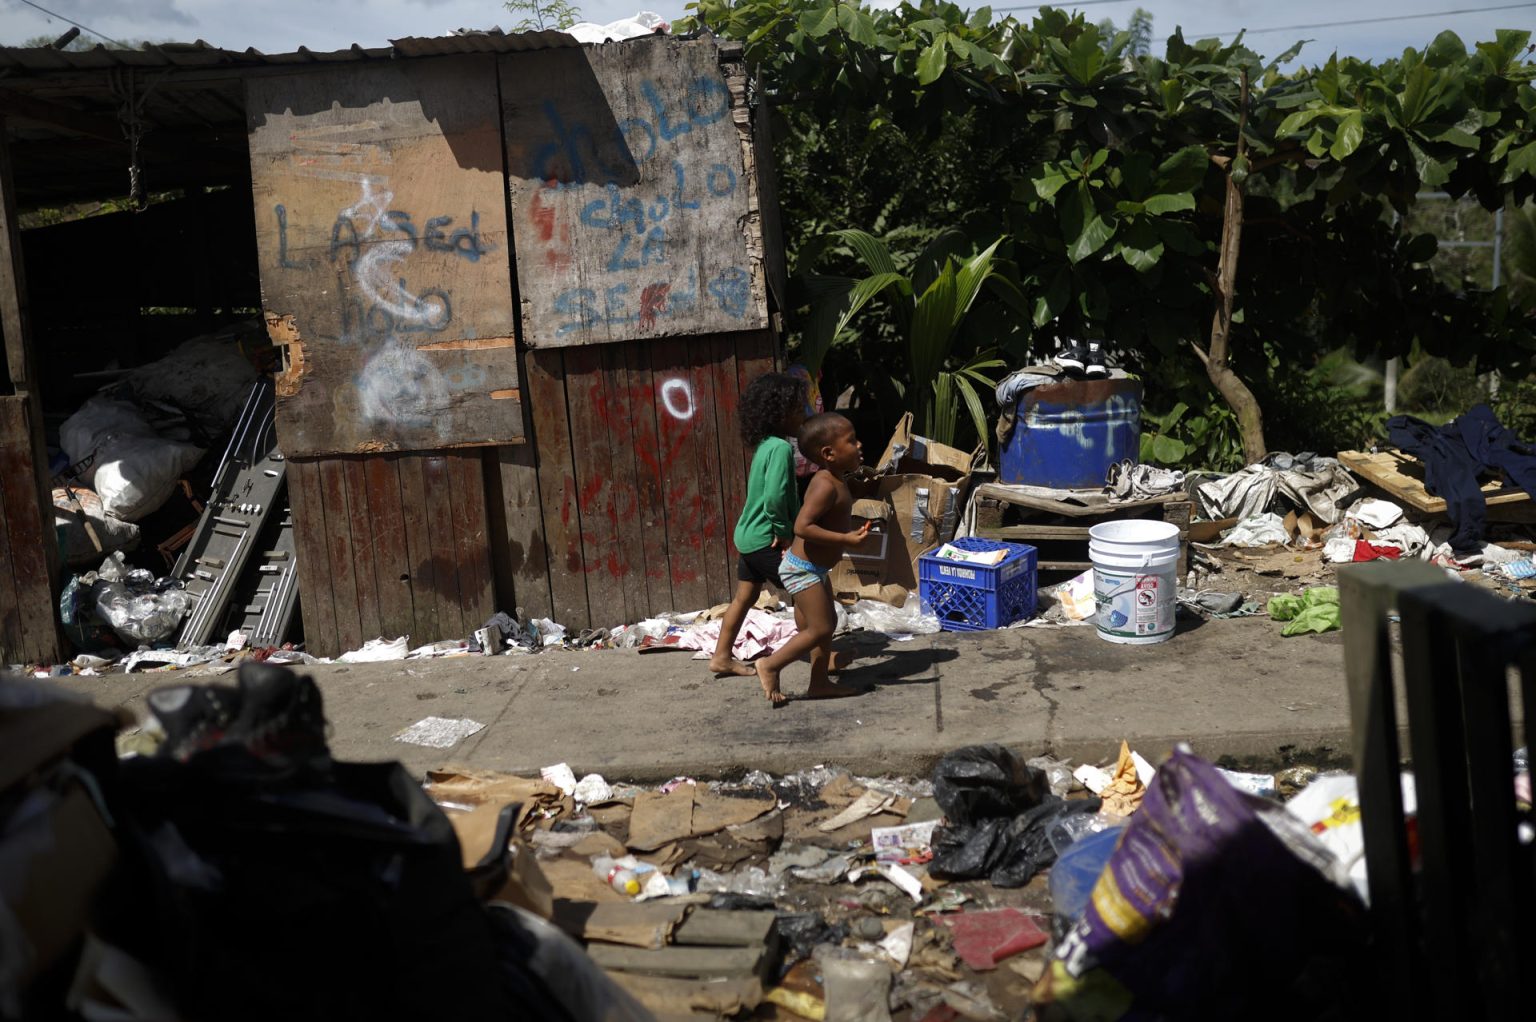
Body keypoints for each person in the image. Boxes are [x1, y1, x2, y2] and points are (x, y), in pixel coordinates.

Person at [754, 412, 873, 705]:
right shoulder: (824, 484)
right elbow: (802, 527)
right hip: (802, 570)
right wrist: (846, 539)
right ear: (829, 453)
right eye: (851, 441)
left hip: (815, 568)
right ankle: (770, 664)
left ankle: (819, 683)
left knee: (825, 625)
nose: (859, 445)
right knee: (820, 628)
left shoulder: (835, 478)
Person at [707, 372, 807, 678]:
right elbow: (775, 498)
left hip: (748, 536)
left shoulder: (766, 445)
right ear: (780, 413)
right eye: (798, 408)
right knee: (807, 590)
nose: (804, 414)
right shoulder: (780, 448)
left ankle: (721, 657)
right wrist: (785, 533)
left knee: (745, 597)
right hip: (768, 538)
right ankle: (820, 657)